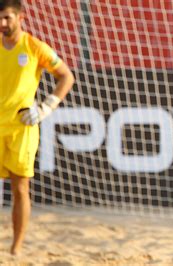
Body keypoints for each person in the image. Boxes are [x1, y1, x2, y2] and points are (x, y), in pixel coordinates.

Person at [0, 0, 74, 255]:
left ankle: (16, 249)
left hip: (22, 127)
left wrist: (46, 107)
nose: (3, 23)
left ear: (20, 17)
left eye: (7, 17)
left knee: (20, 187)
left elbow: (66, 75)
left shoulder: (34, 47)